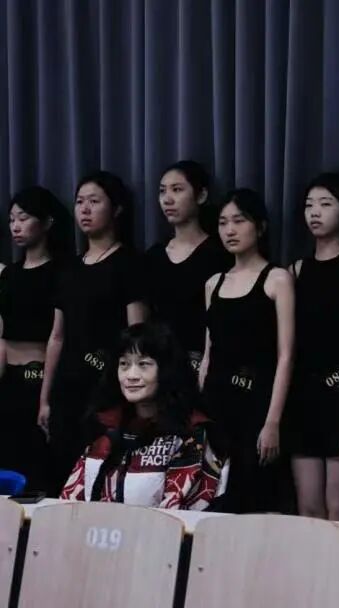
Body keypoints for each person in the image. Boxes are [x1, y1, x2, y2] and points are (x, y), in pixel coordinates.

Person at [39, 171, 148, 495]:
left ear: (117, 209)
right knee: (61, 478)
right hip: (65, 390)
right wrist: (45, 397)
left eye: (94, 201)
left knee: (101, 480)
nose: (84, 209)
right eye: (79, 202)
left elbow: (137, 337)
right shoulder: (68, 268)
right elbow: (57, 336)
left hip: (107, 390)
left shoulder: (129, 263)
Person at [200, 189, 295, 513]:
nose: (230, 230)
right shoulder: (213, 283)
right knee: (213, 499)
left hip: (257, 404)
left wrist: (273, 421)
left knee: (256, 500)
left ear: (260, 226)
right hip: (216, 404)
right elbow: (208, 353)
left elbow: (286, 355)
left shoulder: (277, 279)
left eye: (239, 221)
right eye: (223, 222)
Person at [60, 323, 223, 509]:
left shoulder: (190, 434)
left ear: (167, 370)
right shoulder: (104, 428)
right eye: (124, 364)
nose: (131, 375)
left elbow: (180, 515)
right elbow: (69, 504)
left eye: (143, 364)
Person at [287, 170, 339, 520]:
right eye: (309, 205)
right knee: (308, 508)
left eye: (325, 204)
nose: (315, 212)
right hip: (303, 396)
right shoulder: (295, 270)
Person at [0, 187, 72, 490]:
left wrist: (45, 397)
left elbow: (59, 335)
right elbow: (2, 335)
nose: (15, 226)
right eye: (11, 219)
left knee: (38, 466)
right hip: (9, 380)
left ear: (47, 222)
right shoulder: (8, 274)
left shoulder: (62, 271)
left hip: (42, 377)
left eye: (23, 218)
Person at [144, 161, 232, 374]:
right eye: (162, 191)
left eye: (177, 190)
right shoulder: (153, 256)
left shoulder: (220, 254)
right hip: (158, 368)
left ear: (201, 196)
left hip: (204, 366)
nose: (167, 199)